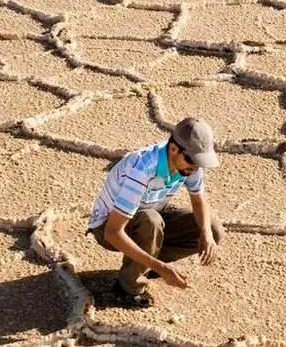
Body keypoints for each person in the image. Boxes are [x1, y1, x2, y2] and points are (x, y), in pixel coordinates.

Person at [86, 117, 224, 308]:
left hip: (150, 211)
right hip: (108, 226)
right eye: (192, 160)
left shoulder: (190, 165)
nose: (196, 167)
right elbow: (112, 231)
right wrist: (161, 268)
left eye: (200, 161)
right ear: (174, 149)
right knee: (151, 221)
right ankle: (126, 288)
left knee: (213, 228)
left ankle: (145, 263)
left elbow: (199, 201)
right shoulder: (142, 170)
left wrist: (206, 234)